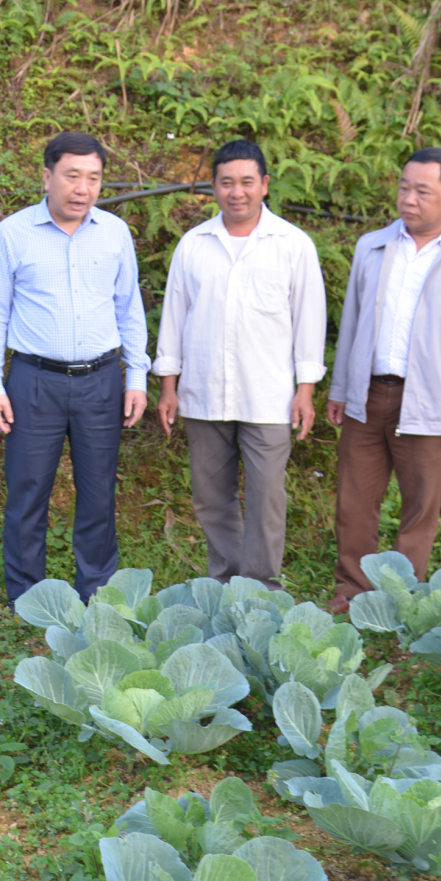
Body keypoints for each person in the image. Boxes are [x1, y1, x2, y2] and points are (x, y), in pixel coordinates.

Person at [326, 148, 441, 612]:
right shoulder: (372, 246)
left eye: (422, 191)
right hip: (368, 395)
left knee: (420, 510)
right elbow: (352, 323)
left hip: (431, 404)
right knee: (354, 504)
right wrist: (342, 390)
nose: (408, 199)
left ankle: (401, 604)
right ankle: (352, 593)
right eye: (404, 187)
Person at [0, 131, 149, 602]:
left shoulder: (114, 232)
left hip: (101, 381)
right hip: (34, 382)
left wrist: (136, 376)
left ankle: (96, 594)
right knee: (27, 494)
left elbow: (128, 307)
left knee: (98, 495)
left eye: (93, 178)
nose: (83, 188)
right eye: (72, 176)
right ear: (47, 175)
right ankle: (27, 600)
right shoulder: (12, 233)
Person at [153, 139, 326, 586]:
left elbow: (309, 321)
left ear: (264, 185)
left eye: (247, 182)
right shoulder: (194, 245)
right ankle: (226, 582)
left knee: (268, 495)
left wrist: (305, 390)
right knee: (211, 497)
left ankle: (261, 588)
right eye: (227, 182)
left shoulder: (292, 244)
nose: (237, 192)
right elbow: (175, 316)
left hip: (268, 395)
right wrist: (168, 386)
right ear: (213, 187)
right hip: (203, 393)